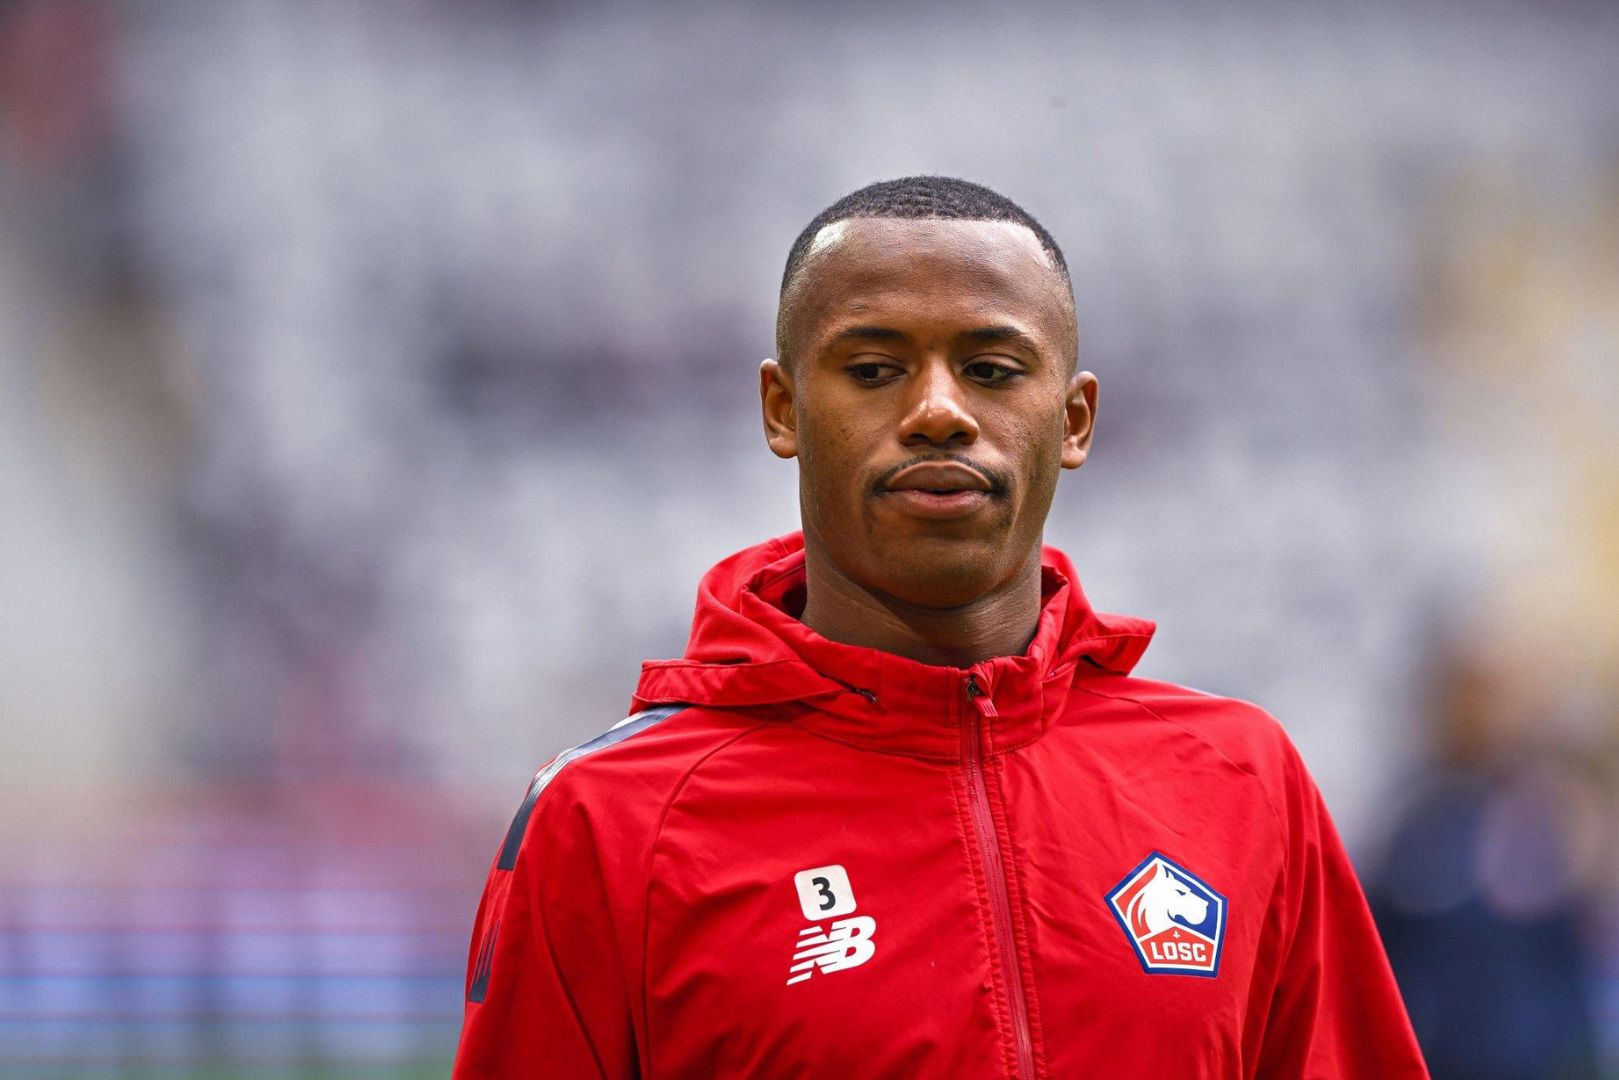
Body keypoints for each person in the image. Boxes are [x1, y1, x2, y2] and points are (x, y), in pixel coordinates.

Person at [451, 176, 1428, 1078]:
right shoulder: (611, 818)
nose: (936, 412)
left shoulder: (1239, 781)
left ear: (1074, 419)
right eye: (873, 369)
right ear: (781, 408)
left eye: (993, 369)